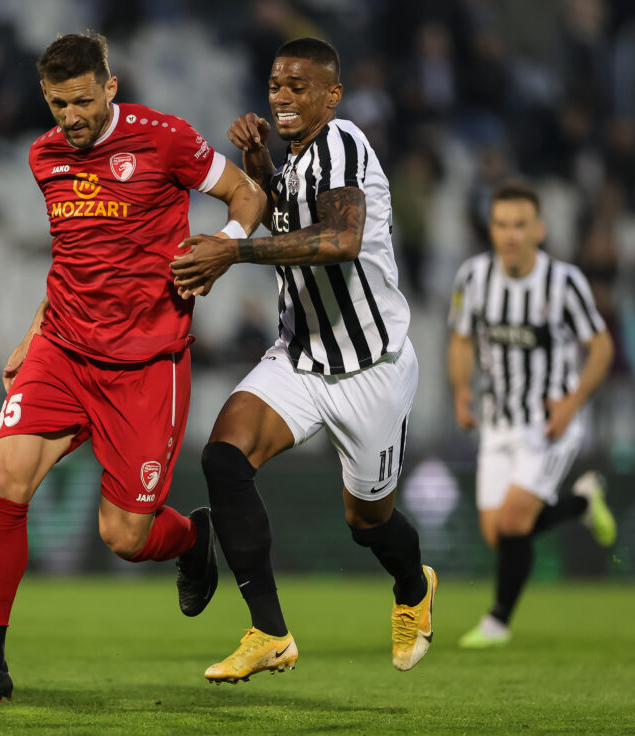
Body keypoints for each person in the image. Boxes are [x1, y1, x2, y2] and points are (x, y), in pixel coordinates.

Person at [0, 32, 265, 711]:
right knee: (4, 478)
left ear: (110, 87)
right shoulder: (44, 157)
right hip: (62, 350)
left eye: (83, 100)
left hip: (146, 365)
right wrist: (30, 338)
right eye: (59, 104)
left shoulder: (165, 139)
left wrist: (226, 247)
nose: (71, 116)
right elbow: (73, 257)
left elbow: (246, 193)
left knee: (124, 536)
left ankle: (190, 537)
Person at [170, 37, 437, 683]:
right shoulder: (293, 160)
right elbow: (288, 222)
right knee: (224, 457)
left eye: (298, 86)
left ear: (332, 95)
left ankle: (412, 587)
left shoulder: (343, 141)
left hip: (370, 367)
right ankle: (269, 630)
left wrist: (232, 253)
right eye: (275, 85)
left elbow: (341, 240)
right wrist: (259, 168)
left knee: (367, 522)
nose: (282, 97)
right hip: (300, 357)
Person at [447, 180, 617, 649]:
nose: (510, 234)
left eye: (520, 225)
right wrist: (461, 391)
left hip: (548, 421)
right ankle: (582, 503)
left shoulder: (564, 282)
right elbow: (461, 338)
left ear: (539, 229)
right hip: (497, 420)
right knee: (496, 534)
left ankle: (497, 622)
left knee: (514, 523)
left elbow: (600, 346)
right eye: (502, 224)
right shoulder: (473, 277)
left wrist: (572, 402)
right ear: (491, 229)